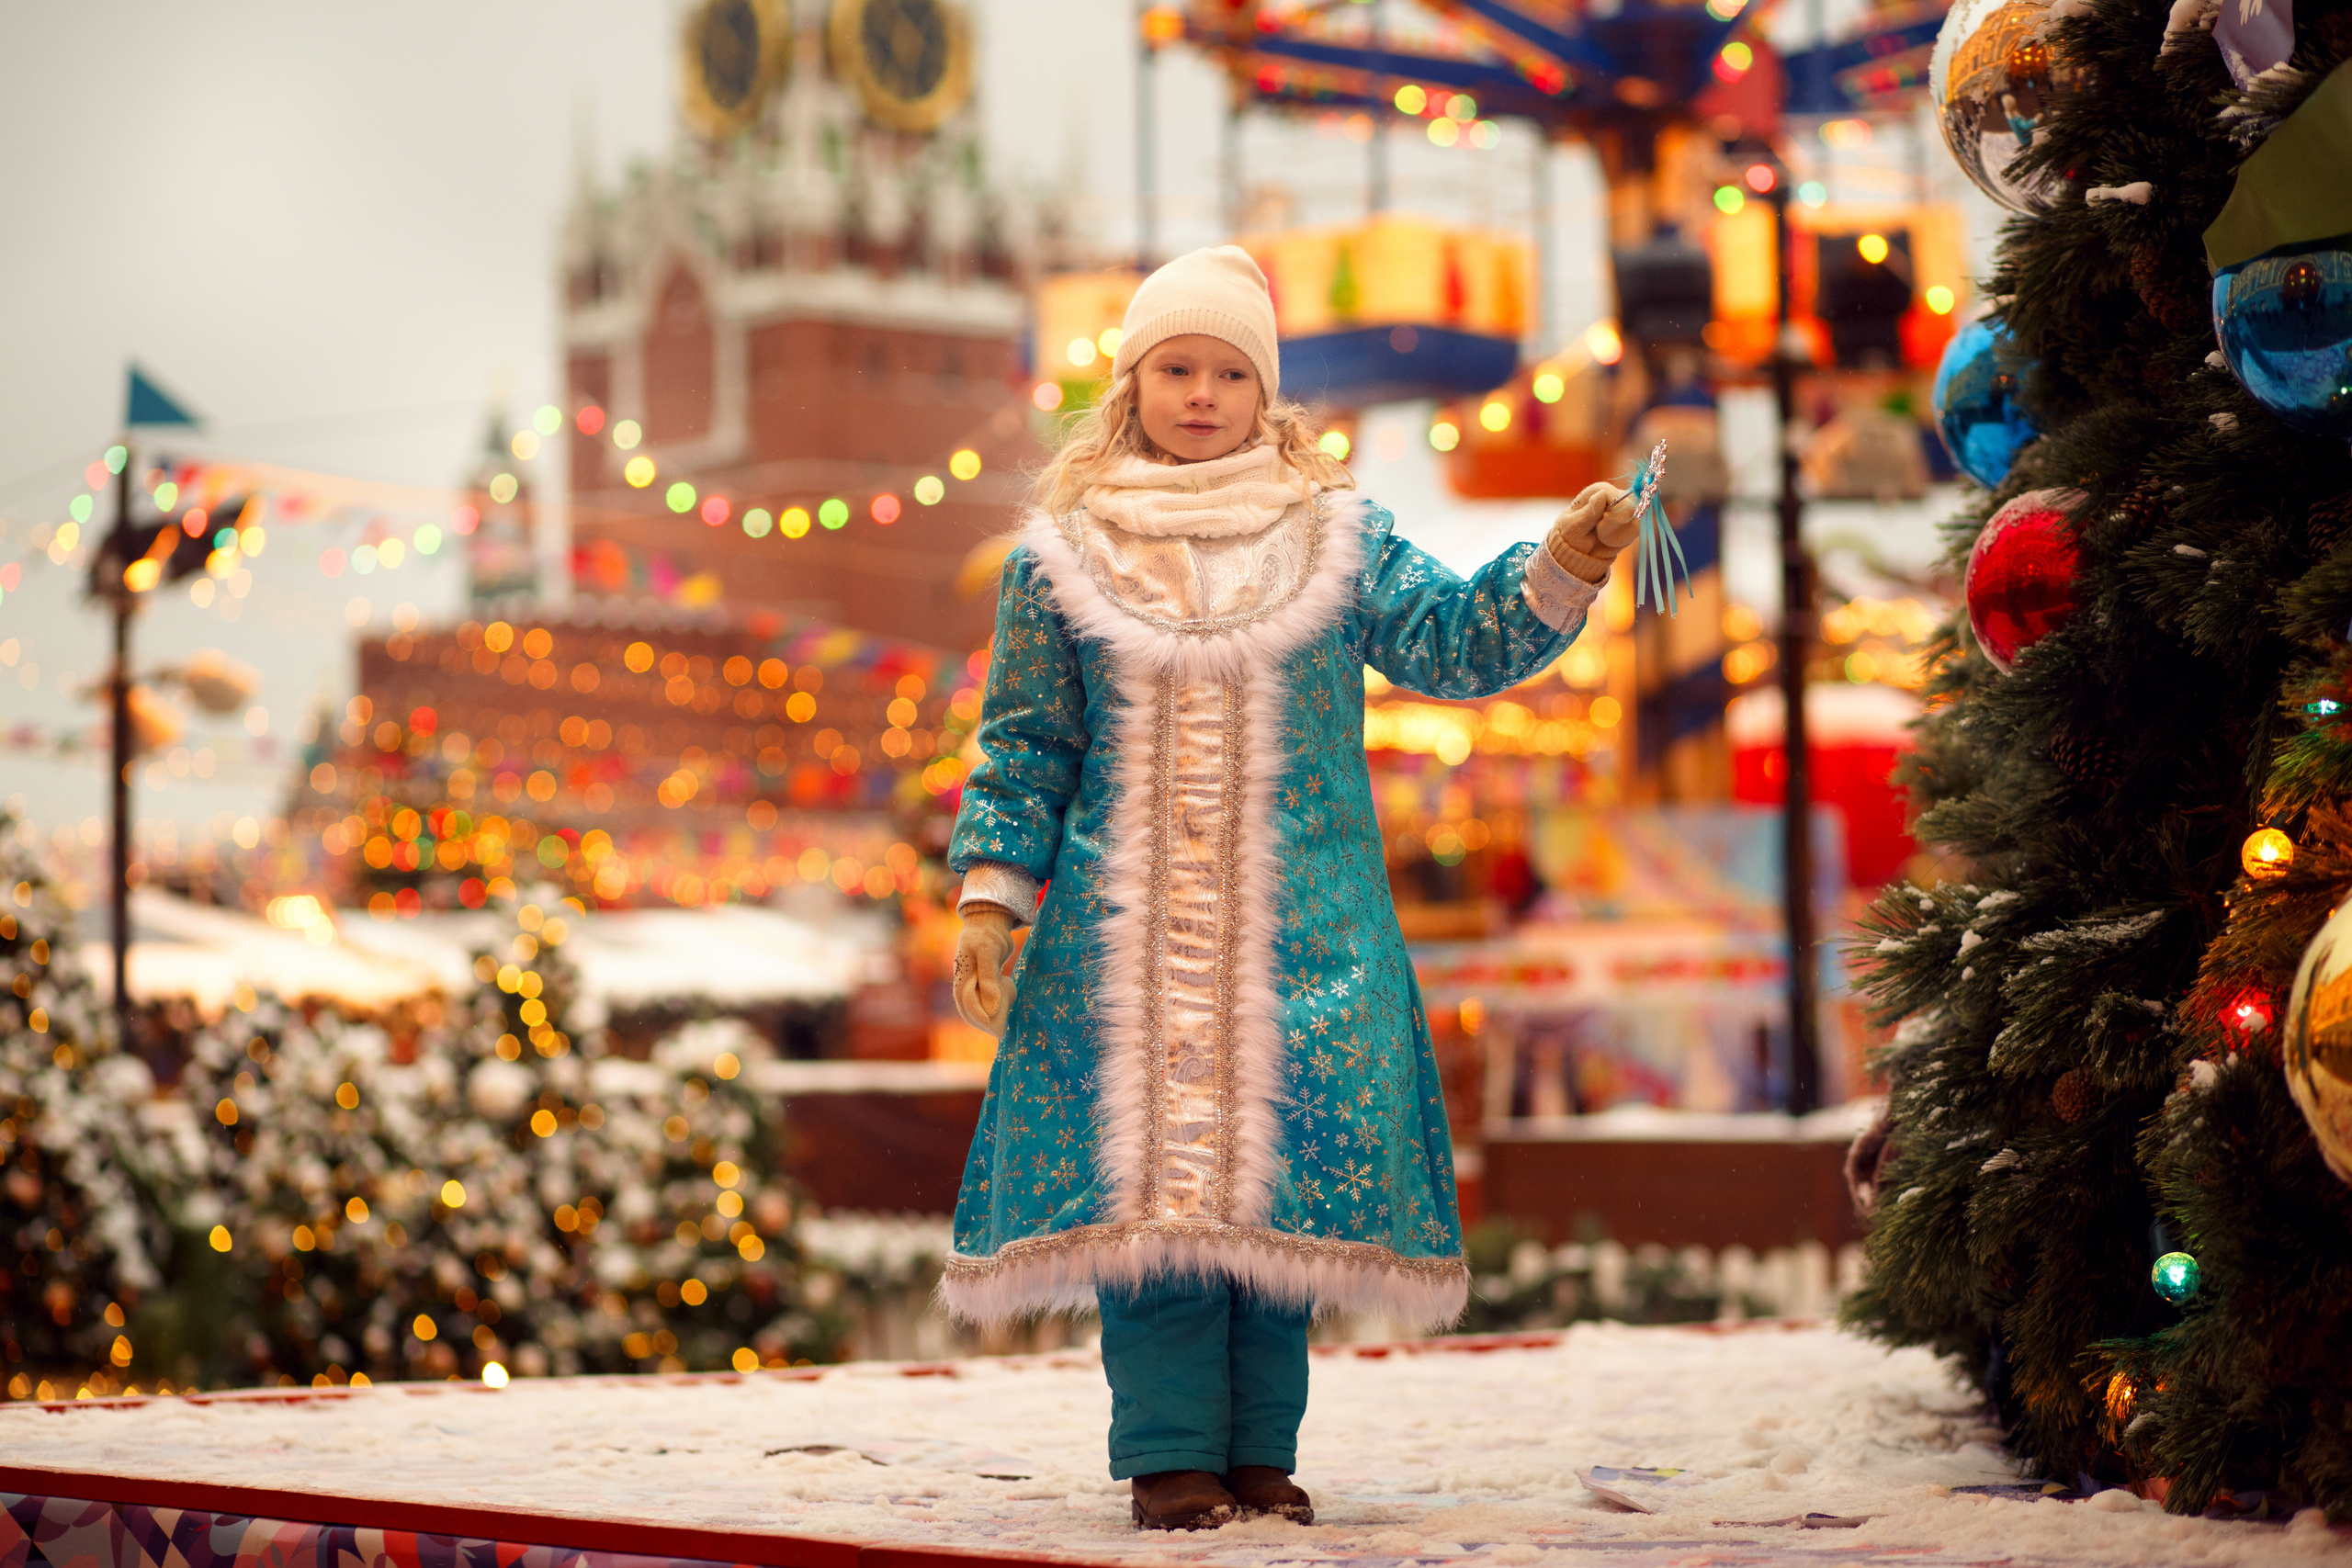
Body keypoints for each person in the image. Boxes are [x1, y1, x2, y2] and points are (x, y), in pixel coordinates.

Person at [943, 245, 1635, 1531]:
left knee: (1277, 1208)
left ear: (1266, 392)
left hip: (1304, 938)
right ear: (1132, 385)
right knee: (1151, 1211)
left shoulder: (1338, 539)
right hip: (1117, 948)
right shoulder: (1059, 560)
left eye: (1229, 372)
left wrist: (1562, 564)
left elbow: (1457, 641)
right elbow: (1027, 744)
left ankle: (1261, 1452)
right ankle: (1169, 1457)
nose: (1202, 395)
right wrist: (992, 898)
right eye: (1176, 369)